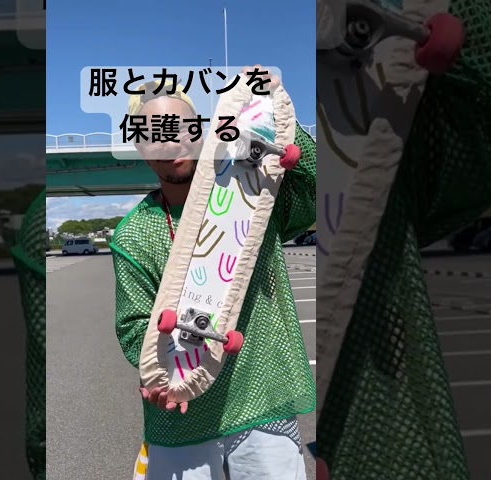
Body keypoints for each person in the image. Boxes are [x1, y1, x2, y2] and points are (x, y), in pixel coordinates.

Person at [110, 66, 316, 479]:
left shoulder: (256, 192)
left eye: (181, 126)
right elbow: (134, 326)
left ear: (202, 129)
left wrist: (271, 106)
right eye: (154, 133)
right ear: (139, 147)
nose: (170, 140)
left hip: (264, 402)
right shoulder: (133, 234)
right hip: (182, 418)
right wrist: (159, 378)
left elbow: (312, 185)